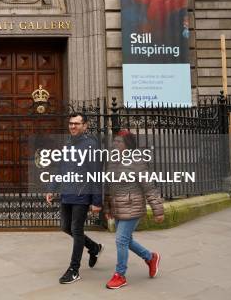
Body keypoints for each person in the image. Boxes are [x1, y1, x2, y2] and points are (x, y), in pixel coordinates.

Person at [45, 113, 103, 284]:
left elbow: (96, 175)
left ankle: (74, 270)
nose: (73, 126)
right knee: (65, 227)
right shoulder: (68, 144)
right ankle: (94, 247)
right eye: (71, 124)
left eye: (77, 124)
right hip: (67, 193)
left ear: (85, 126)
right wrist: (52, 188)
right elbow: (60, 170)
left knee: (76, 230)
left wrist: (96, 201)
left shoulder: (91, 146)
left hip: (82, 194)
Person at [104, 130, 164, 290]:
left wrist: (158, 210)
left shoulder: (137, 162)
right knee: (126, 240)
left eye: (119, 142)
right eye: (114, 141)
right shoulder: (113, 161)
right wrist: (108, 207)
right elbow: (109, 186)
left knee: (121, 240)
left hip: (133, 205)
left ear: (128, 145)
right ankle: (151, 258)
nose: (115, 144)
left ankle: (120, 275)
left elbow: (149, 187)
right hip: (118, 207)